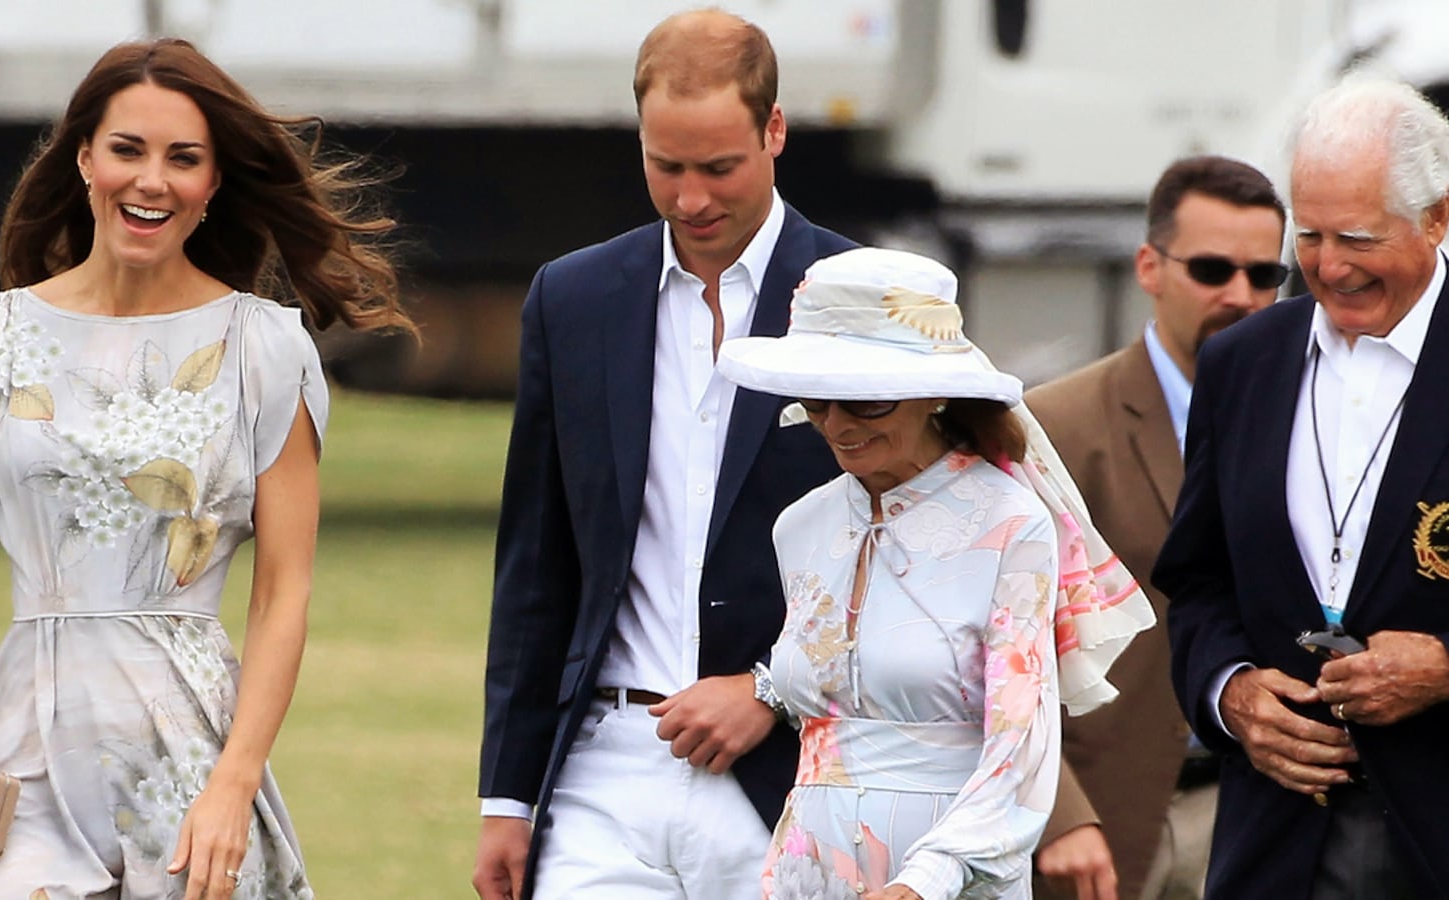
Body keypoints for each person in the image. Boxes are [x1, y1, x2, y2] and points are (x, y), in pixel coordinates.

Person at [0, 38, 412, 899]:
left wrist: (235, 783)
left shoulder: (263, 347)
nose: (151, 180)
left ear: (213, 185)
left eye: (184, 159)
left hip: (192, 752)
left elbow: (284, 593)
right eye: (128, 149)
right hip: (24, 746)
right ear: (85, 157)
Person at [471, 9, 856, 900]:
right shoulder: (571, 298)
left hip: (796, 775)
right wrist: (507, 794)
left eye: (718, 168)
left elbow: (915, 557)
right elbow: (537, 563)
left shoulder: (858, 295)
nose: (690, 199)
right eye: (665, 166)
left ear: (776, 131)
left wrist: (770, 690)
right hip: (603, 772)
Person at [717, 247, 1155, 900]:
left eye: (867, 403)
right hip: (807, 872)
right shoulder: (799, 528)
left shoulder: (1010, 524)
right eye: (816, 399)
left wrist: (926, 881)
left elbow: (1021, 749)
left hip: (951, 878)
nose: (835, 425)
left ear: (933, 393)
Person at [1156, 71, 1449, 899]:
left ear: (1437, 216)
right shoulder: (1243, 361)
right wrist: (1231, 694)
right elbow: (1198, 581)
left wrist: (1443, 667)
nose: (1328, 267)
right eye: (1310, 237)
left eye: (1357, 238)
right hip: (1275, 843)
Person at [1026, 156, 1287, 900]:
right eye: (1212, 269)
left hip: (1259, 813)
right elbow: (999, 647)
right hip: (1107, 824)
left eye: (1265, 275)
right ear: (1149, 266)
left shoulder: (1313, 419)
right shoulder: (1057, 427)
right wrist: (1060, 816)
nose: (1240, 296)